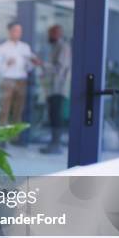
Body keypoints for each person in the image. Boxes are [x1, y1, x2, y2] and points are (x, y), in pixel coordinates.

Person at [0, 22, 41, 128]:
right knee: (4, 110)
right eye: (16, 30)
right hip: (7, 81)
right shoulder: (2, 48)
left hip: (22, 81)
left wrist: (32, 63)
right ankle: (2, 139)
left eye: (20, 31)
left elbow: (29, 67)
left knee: (18, 110)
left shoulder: (25, 47)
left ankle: (15, 137)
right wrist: (7, 64)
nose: (18, 33)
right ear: (9, 32)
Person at [40, 25, 71, 154]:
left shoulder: (63, 47)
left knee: (56, 116)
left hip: (59, 88)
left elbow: (59, 68)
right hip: (52, 88)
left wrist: (42, 64)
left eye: (51, 34)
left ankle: (56, 146)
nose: (49, 37)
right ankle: (53, 144)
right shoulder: (55, 47)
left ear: (58, 34)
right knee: (53, 116)